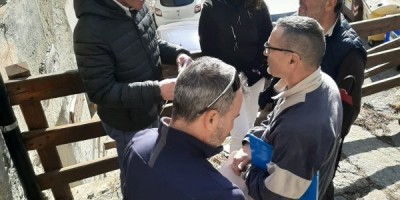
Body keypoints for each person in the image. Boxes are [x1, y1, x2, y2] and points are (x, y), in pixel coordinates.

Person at [224, 16, 343, 199]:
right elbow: (273, 122)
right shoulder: (321, 82)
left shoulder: (301, 129)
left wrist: (247, 170)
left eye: (270, 48)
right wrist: (249, 146)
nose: (265, 53)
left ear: (293, 60)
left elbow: (276, 195)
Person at [73, 0, 191, 182]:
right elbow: (101, 91)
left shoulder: (138, 6)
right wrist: (158, 91)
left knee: (155, 170)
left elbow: (149, 41)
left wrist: (177, 53)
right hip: (127, 124)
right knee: (137, 179)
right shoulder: (89, 30)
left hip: (150, 110)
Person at [258, 2, 367, 197]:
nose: (300, 2)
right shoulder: (296, 27)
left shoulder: (350, 51)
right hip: (284, 138)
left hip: (309, 153)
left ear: (329, 3)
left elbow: (346, 115)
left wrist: (303, 136)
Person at [122, 56, 245, 199]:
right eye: (233, 118)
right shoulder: (223, 194)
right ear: (211, 119)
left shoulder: (138, 142)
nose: (232, 127)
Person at [199, 0, 273, 152]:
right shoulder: (211, 7)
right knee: (241, 133)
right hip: (228, 83)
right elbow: (208, 50)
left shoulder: (258, 6)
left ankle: (238, 170)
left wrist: (259, 70)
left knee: (250, 126)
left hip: (254, 78)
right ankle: (235, 172)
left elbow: (267, 40)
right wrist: (228, 78)